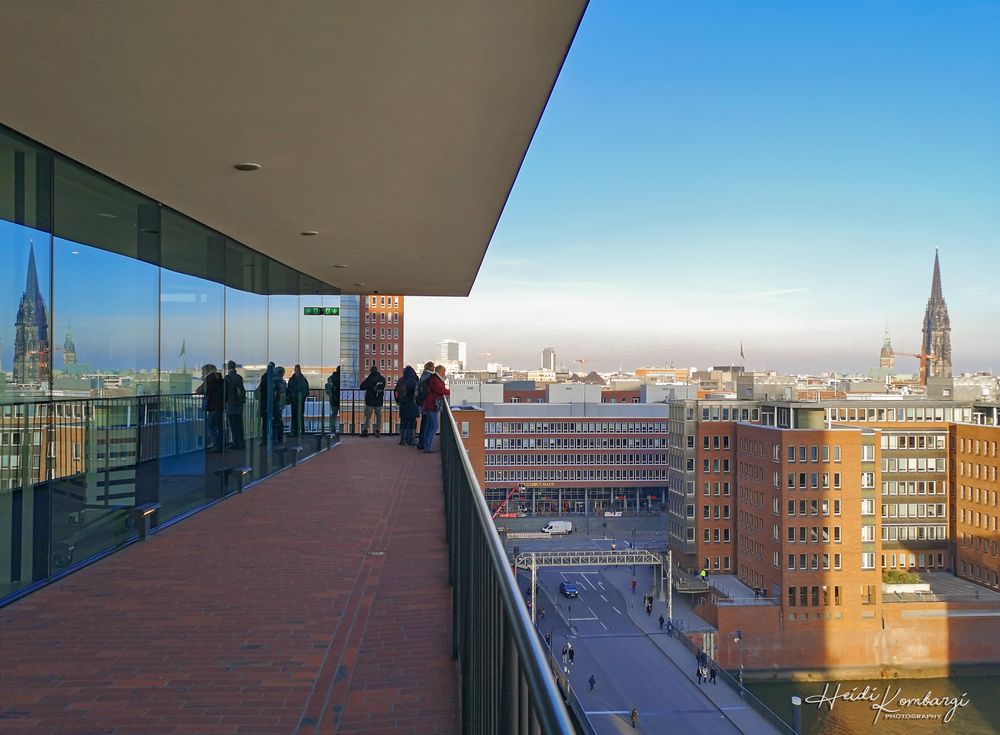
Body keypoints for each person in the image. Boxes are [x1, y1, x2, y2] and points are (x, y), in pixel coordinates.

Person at [420, 364, 450, 453]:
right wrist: (449, 391)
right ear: (440, 371)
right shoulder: (435, 379)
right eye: (444, 372)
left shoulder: (433, 378)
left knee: (430, 426)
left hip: (430, 404)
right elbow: (441, 390)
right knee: (434, 426)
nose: (444, 374)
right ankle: (428, 446)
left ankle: (426, 445)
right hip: (431, 405)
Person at [196, 364, 224, 452]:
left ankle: (216, 446)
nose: (202, 373)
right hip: (220, 405)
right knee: (219, 426)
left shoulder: (210, 379)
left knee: (210, 426)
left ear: (206, 371)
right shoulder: (219, 378)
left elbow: (199, 390)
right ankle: (220, 445)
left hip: (213, 406)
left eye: (203, 371)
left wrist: (204, 380)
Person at [223, 360, 246, 449]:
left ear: (228, 367)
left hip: (231, 404)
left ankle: (235, 443)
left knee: (232, 425)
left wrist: (225, 403)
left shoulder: (227, 378)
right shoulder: (239, 377)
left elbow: (225, 393)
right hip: (239, 404)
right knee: (239, 425)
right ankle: (241, 443)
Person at [359, 365, 386, 437]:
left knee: (368, 416)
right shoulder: (382, 379)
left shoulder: (369, 378)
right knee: (379, 416)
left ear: (371, 371)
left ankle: (365, 430)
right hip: (379, 401)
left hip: (370, 401)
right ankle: (378, 431)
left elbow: (362, 387)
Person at [395, 365, 419, 446]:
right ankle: (411, 440)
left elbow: (396, 391)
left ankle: (402, 439)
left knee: (403, 422)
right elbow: (417, 393)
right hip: (412, 404)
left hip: (403, 404)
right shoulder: (414, 381)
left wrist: (398, 401)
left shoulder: (401, 380)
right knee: (412, 422)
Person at [414, 361, 435, 449]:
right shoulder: (430, 377)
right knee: (430, 424)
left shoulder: (422, 376)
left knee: (424, 422)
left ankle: (421, 442)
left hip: (422, 403)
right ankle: (425, 443)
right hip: (428, 403)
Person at [286, 364, 310, 437]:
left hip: (298, 401)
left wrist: (300, 397)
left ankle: (299, 431)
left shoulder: (296, 379)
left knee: (298, 416)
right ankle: (297, 431)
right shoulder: (301, 379)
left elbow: (305, 391)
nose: (297, 371)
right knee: (296, 416)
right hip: (296, 401)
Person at [255, 362, 274, 444]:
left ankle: (265, 439)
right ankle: (269, 438)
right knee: (269, 422)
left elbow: (260, 392)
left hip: (264, 403)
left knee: (265, 423)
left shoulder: (265, 378)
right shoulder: (272, 378)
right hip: (268, 403)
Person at [272, 366, 287, 445]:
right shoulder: (283, 382)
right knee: (279, 421)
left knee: (275, 421)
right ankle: (279, 438)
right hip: (280, 404)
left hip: (276, 404)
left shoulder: (275, 382)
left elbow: (275, 394)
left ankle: (275, 438)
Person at [324, 366, 341, 436]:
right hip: (340, 399)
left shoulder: (331, 378)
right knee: (338, 415)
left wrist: (331, 394)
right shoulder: (343, 378)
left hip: (333, 399)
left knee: (333, 415)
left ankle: (333, 430)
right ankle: (341, 430)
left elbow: (327, 389)